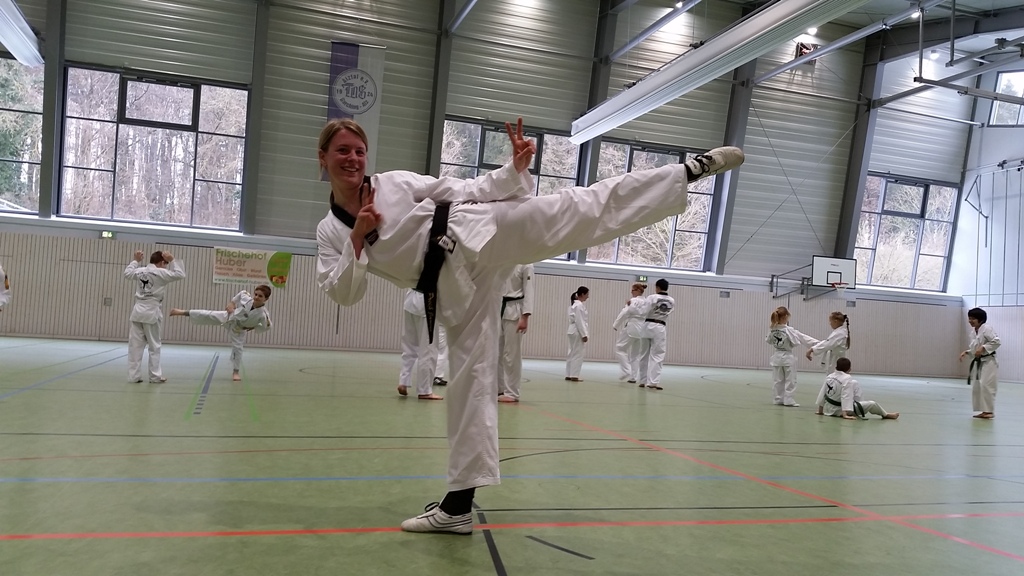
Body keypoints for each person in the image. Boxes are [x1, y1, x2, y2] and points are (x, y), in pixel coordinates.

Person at [314, 116, 743, 534]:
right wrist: (358, 238)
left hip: (476, 230)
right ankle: (458, 506)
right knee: (469, 383)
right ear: (323, 158)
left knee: (574, 207)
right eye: (342, 151)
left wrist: (513, 168)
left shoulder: (392, 183)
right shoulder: (330, 231)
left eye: (359, 151)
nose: (353, 158)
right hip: (453, 287)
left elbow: (464, 189)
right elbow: (344, 293)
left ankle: (687, 171)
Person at [170, 286, 273, 382]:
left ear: (266, 299)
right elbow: (242, 292)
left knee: (238, 349)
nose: (256, 297)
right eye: (256, 294)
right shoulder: (247, 299)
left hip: (238, 329)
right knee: (208, 314)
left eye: (260, 296)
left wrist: (253, 327)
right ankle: (182, 312)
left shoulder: (263, 315)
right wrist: (232, 303)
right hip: (230, 317)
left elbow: (267, 327)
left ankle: (235, 372)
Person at [124, 250, 186, 383]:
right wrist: (173, 259)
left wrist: (136, 261)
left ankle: (133, 376)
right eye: (166, 263)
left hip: (137, 311)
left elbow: (127, 273)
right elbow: (180, 274)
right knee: (154, 346)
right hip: (152, 311)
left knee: (135, 346)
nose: (166, 266)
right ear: (162, 262)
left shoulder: (140, 271)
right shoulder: (161, 273)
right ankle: (155, 376)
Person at [815, 357, 899, 420]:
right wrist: (845, 414)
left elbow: (822, 392)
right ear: (849, 369)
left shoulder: (830, 376)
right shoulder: (846, 378)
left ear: (836, 366)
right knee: (872, 404)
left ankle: (859, 403)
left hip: (829, 408)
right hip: (840, 410)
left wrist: (820, 410)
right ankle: (886, 414)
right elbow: (845, 396)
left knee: (854, 382)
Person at [766, 306, 818, 407]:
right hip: (787, 357)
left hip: (777, 357)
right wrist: (819, 344)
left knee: (778, 380)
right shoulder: (788, 330)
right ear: (786, 317)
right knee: (790, 380)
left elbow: (768, 340)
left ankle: (778, 399)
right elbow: (800, 339)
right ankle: (788, 400)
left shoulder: (772, 329)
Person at [396, 289, 443, 400]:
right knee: (428, 349)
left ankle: (403, 381)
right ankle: (425, 390)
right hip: (427, 303)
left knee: (409, 347)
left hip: (411, 299)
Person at [497, 263, 534, 403]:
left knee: (511, 354)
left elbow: (529, 292)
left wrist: (525, 316)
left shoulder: (526, 264)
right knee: (496, 353)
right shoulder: (503, 260)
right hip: (498, 308)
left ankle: (512, 392)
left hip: (515, 311)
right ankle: (498, 388)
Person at [633, 279, 675, 390]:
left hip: (647, 325)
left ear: (657, 287)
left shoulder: (652, 297)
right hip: (660, 327)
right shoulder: (671, 301)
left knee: (644, 354)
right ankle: (653, 382)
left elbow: (643, 311)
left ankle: (643, 380)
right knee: (658, 355)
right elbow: (669, 312)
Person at [960, 307, 1000, 419]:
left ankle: (989, 411)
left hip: (989, 361)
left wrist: (983, 347)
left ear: (980, 319)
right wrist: (968, 352)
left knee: (986, 385)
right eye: (969, 318)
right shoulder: (974, 332)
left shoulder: (987, 328)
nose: (970, 321)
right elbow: (975, 348)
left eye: (973, 318)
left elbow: (997, 341)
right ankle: (984, 411)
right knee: (978, 386)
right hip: (980, 361)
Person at [612, 283, 646, 383]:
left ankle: (626, 370)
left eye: (633, 290)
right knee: (635, 354)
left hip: (632, 326)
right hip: (642, 329)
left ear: (638, 291)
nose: (631, 292)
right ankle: (633, 377)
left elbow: (624, 313)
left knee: (620, 348)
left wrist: (616, 324)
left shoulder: (633, 301)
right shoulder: (647, 302)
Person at [565, 286, 590, 382]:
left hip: (572, 330)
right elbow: (579, 321)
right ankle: (574, 375)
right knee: (578, 353)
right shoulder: (579, 306)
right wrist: (584, 334)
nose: (588, 297)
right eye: (587, 294)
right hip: (577, 331)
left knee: (571, 352)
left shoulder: (573, 305)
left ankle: (568, 374)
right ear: (582, 294)